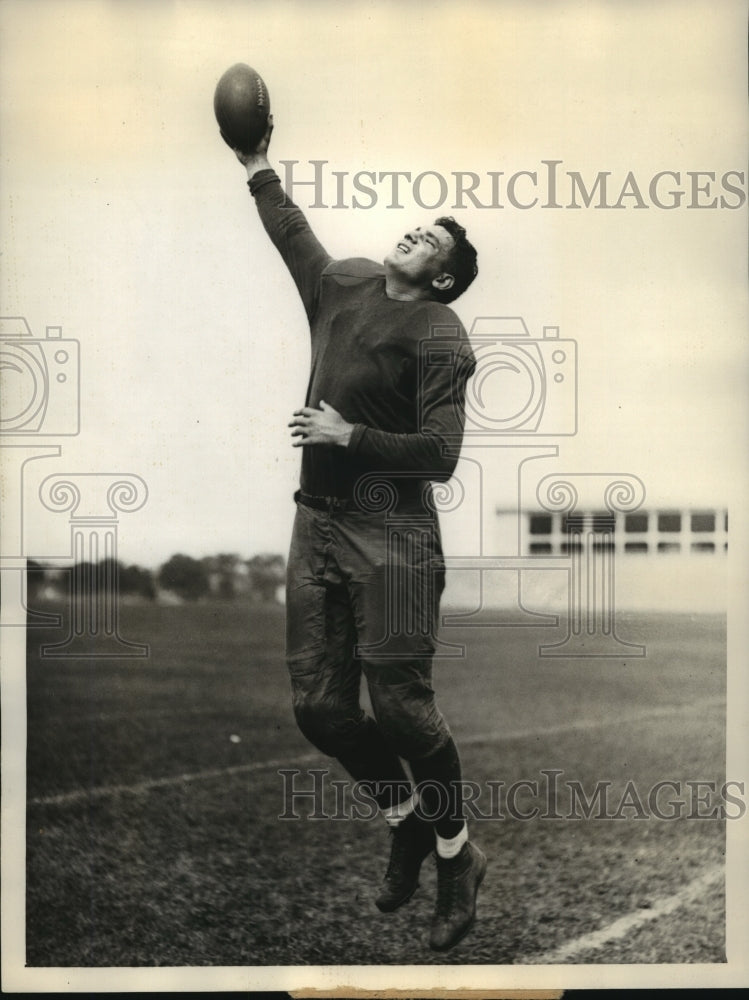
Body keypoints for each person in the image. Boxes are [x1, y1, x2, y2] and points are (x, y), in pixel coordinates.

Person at [234, 116, 485, 952]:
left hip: (394, 532)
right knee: (319, 708)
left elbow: (442, 456)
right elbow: (294, 237)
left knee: (403, 710)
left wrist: (351, 438)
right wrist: (256, 163)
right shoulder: (341, 284)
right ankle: (407, 823)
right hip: (316, 525)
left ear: (443, 278)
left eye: (432, 239)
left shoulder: (440, 334)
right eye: (417, 223)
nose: (416, 231)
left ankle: (455, 855)